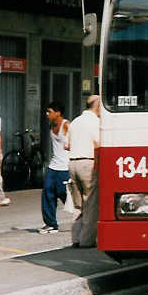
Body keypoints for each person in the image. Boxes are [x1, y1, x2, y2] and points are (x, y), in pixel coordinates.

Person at [67, 94, 101, 247]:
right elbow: (98, 144)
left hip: (72, 163)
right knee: (91, 202)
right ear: (98, 106)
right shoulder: (95, 122)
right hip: (88, 163)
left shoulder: (75, 121)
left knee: (77, 204)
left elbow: (66, 145)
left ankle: (76, 238)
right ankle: (87, 241)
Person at [40, 101, 70, 234]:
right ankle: (51, 223)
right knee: (47, 192)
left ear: (58, 113)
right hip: (53, 166)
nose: (47, 114)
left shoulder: (67, 125)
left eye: (49, 111)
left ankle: (82, 219)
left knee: (65, 195)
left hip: (65, 167)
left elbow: (75, 142)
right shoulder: (51, 125)